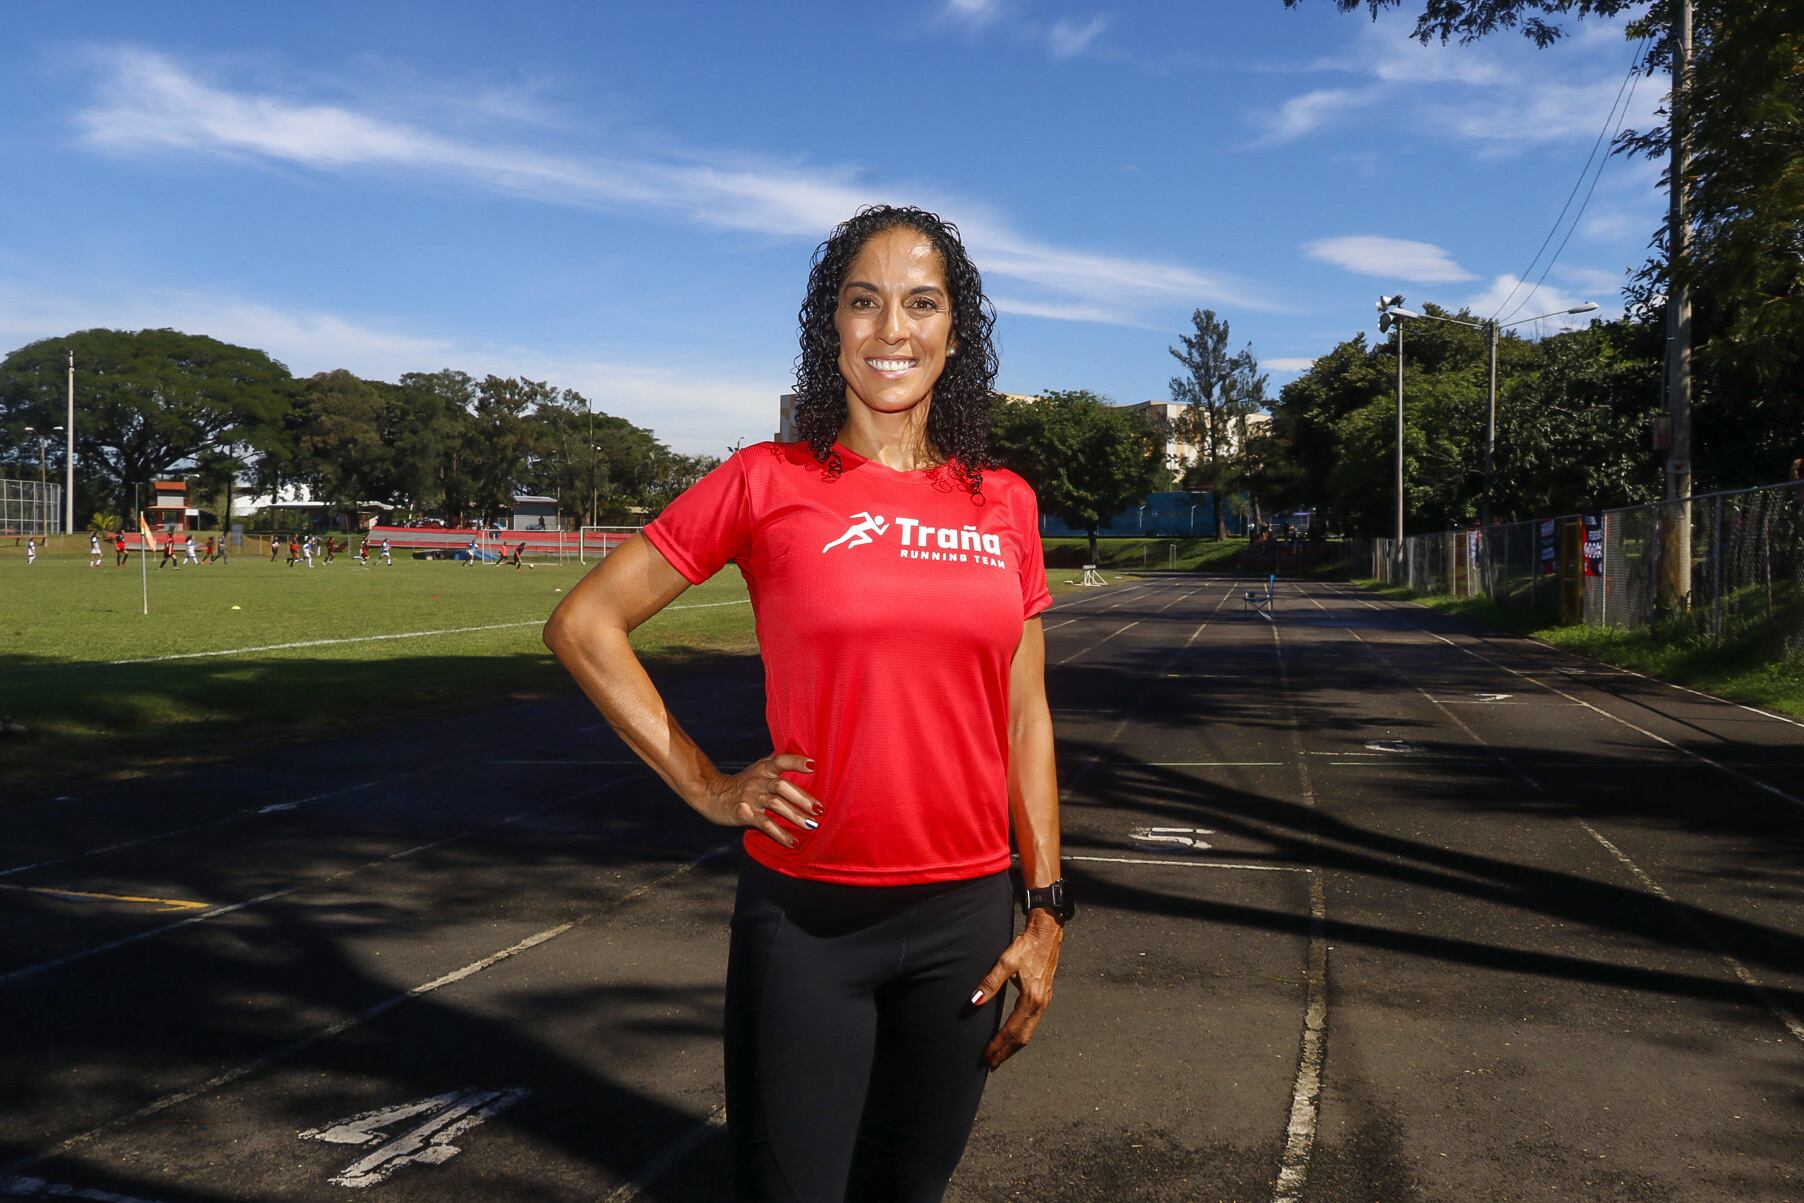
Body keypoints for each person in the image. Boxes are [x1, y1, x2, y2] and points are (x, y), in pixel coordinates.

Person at [544, 205, 1065, 1203]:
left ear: (957, 332)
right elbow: (585, 624)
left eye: (921, 304)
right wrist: (707, 786)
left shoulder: (1004, 502)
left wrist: (1045, 910)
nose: (892, 330)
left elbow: (1026, 714)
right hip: (809, 922)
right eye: (865, 302)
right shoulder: (767, 481)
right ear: (832, 325)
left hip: (966, 921)